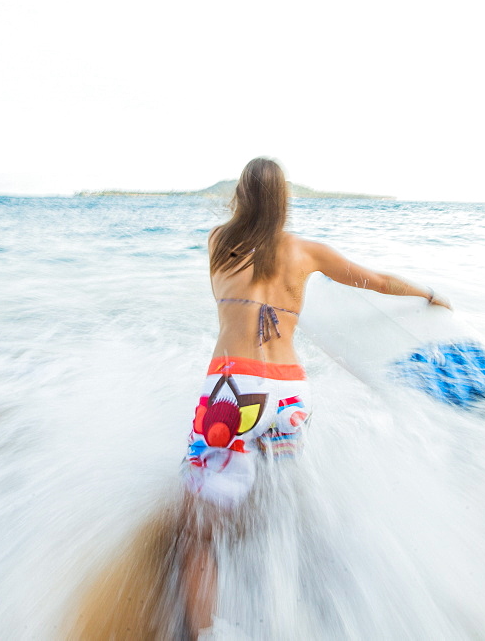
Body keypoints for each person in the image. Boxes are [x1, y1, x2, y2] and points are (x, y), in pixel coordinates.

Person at [180, 157, 451, 637]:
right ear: (285, 200)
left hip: (233, 390)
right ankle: (299, 602)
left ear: (239, 196)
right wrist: (429, 293)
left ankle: (207, 632)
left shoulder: (219, 242)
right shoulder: (309, 253)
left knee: (198, 534)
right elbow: (379, 282)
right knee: (278, 501)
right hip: (289, 394)